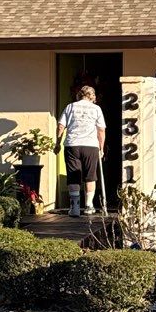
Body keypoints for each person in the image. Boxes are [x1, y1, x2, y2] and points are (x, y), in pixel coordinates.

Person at [57, 82, 107, 217]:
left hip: (72, 144)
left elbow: (61, 126)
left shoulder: (70, 107)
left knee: (73, 175)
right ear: (93, 96)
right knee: (90, 176)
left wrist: (57, 143)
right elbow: (101, 130)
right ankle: (89, 206)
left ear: (79, 95)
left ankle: (74, 207)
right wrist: (101, 148)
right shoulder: (96, 109)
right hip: (90, 145)